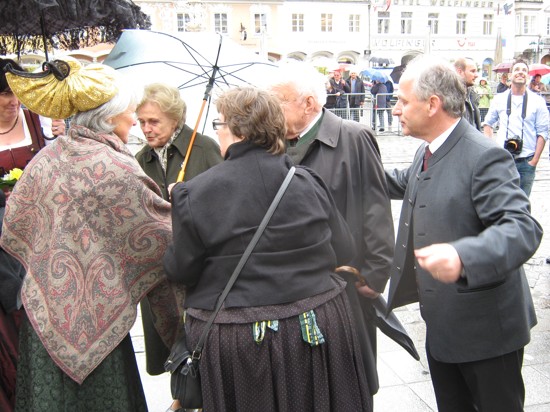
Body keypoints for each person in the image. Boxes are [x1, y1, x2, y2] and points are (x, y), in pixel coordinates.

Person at [163, 86, 372, 411]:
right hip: (315, 325)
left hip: (241, 339)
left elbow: (181, 270)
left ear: (236, 130)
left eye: (218, 124)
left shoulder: (194, 193)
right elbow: (345, 249)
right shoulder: (308, 181)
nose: (217, 132)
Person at [0, 58, 181, 411]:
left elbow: (14, 225)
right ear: (110, 117)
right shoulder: (118, 168)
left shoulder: (45, 159)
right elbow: (165, 241)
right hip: (101, 330)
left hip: (43, 324)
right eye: (129, 112)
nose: (133, 120)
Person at [386, 55, 542, 412]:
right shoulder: (428, 151)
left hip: (487, 334)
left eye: (403, 101)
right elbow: (404, 182)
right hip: (444, 325)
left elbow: (521, 228)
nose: (396, 110)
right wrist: (352, 170)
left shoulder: (483, 155)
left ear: (432, 104)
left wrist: (462, 256)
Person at [267, 64, 395, 404]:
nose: (269, 109)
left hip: (346, 281)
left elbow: (375, 208)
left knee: (353, 377)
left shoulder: (353, 136)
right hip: (296, 287)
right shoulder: (276, 144)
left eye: (276, 101)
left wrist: (377, 272)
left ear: (308, 103)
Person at [135, 82, 222, 412]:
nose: (146, 128)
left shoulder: (203, 149)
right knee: (172, 337)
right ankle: (183, 395)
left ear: (175, 119)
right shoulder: (139, 158)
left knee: (200, 337)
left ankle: (191, 400)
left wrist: (189, 197)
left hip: (199, 266)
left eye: (154, 121)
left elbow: (224, 204)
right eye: (141, 121)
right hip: (159, 269)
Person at [483, 60, 549, 196]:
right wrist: (491, 149)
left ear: (528, 76)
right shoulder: (499, 99)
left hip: (526, 161)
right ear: (510, 75)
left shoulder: (538, 102)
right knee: (501, 201)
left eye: (524, 70)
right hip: (503, 160)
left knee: (523, 204)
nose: (520, 72)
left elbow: (543, 132)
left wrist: (534, 160)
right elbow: (487, 124)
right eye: (517, 69)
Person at [0, 59, 65, 190]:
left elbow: (60, 169)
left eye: (17, 92)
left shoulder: (39, 120)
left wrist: (61, 141)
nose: (14, 101)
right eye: (6, 94)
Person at [454, 57, 481, 130]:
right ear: (459, 72)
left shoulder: (472, 95)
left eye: (476, 71)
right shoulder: (450, 98)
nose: (476, 75)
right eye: (472, 71)